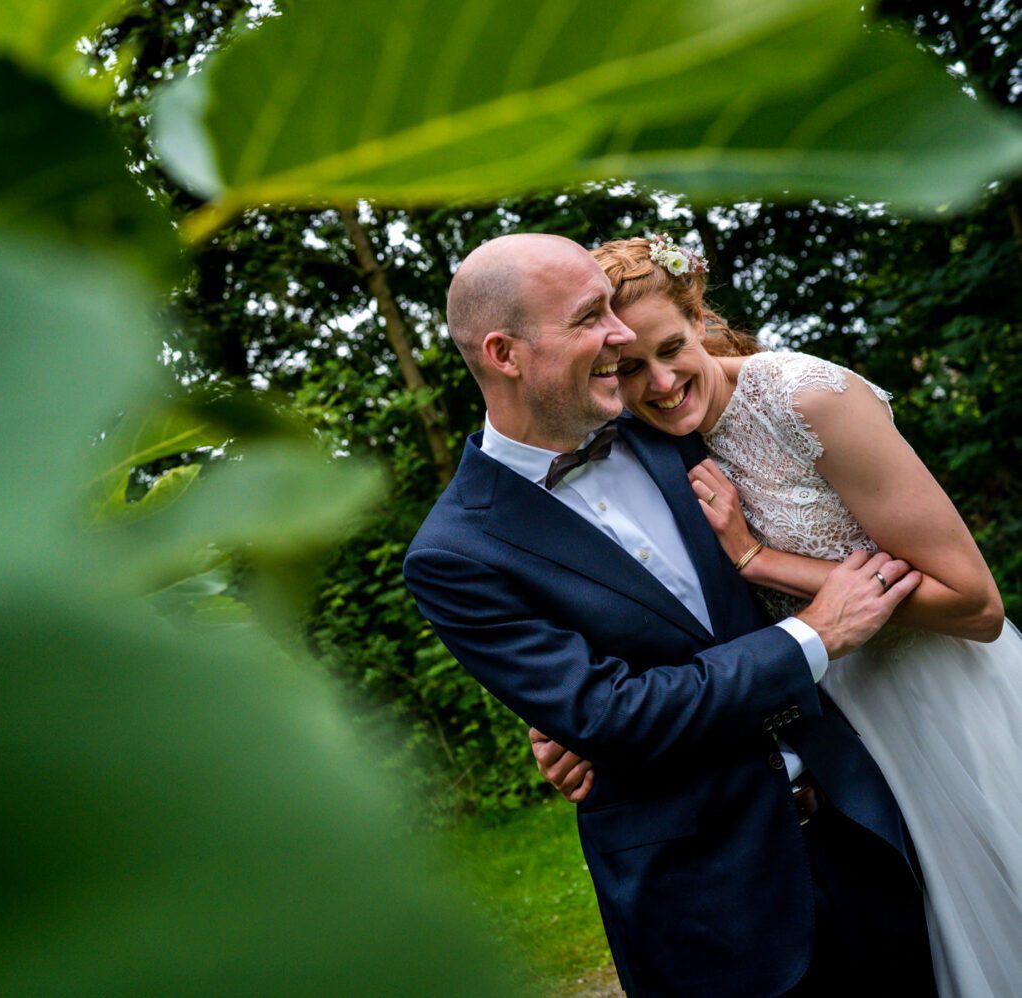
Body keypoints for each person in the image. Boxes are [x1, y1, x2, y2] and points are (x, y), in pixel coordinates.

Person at [404, 233, 936, 998]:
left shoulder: (665, 425)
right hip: (710, 910)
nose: (620, 336)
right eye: (591, 317)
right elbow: (609, 715)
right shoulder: (456, 554)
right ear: (505, 353)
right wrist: (812, 636)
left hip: (859, 835)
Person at [534, 234, 1022, 997]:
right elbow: (654, 610)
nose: (661, 383)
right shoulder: (645, 449)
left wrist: (759, 561)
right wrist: (571, 722)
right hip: (839, 746)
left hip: (938, 705)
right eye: (629, 368)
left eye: (671, 348)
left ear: (697, 313)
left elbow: (976, 603)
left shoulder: (807, 398)